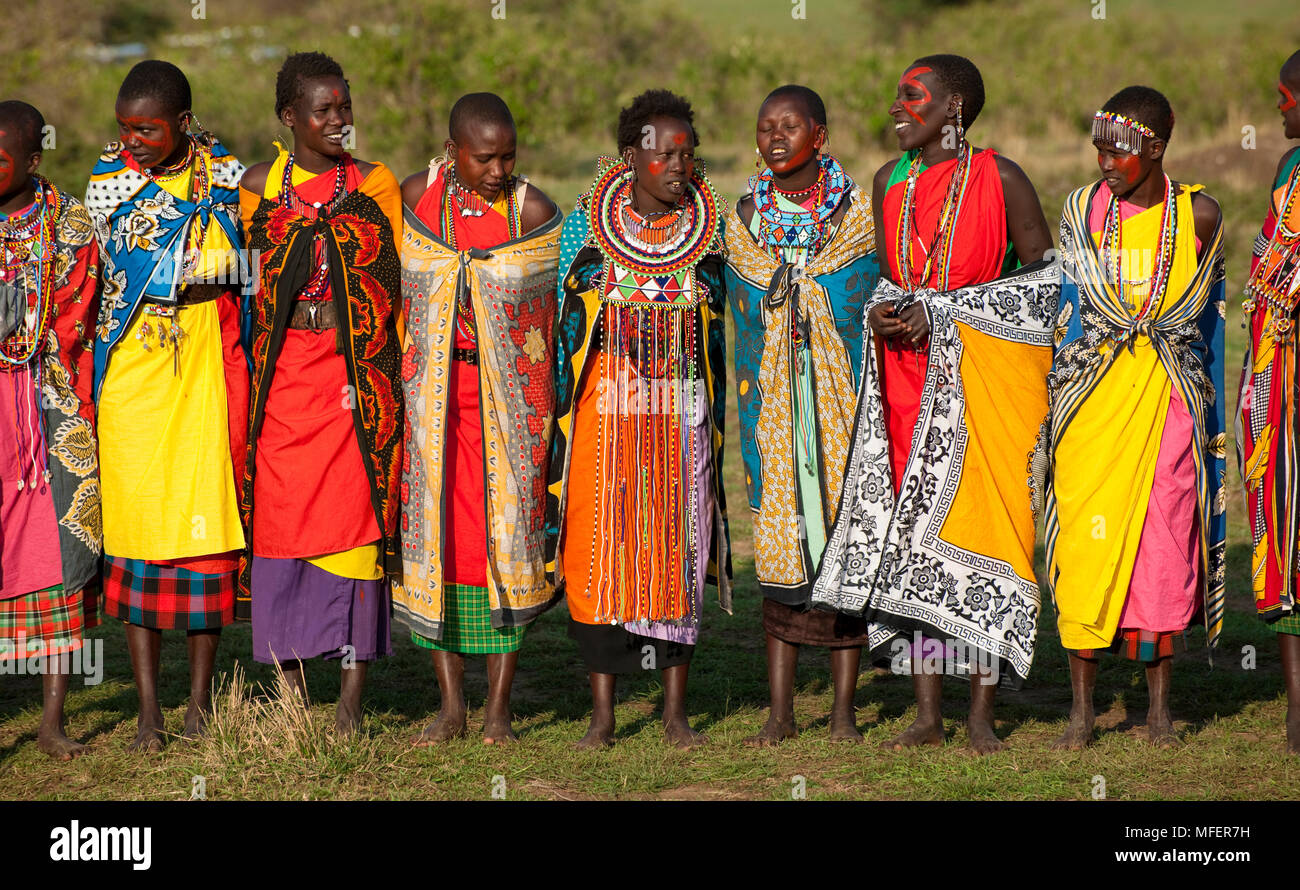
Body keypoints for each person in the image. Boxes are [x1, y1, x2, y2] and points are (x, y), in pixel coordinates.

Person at [809, 55, 1057, 754]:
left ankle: (980, 715)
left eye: (912, 95)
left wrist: (948, 315)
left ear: (953, 108)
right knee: (911, 540)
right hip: (906, 379)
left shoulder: (1001, 177)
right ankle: (925, 713)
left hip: (979, 382)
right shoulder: (891, 183)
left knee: (982, 534)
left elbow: (1044, 283)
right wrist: (887, 311)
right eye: (896, 94)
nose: (895, 106)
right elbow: (892, 278)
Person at [545, 89, 729, 749]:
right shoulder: (588, 229)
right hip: (607, 412)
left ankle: (676, 715)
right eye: (663, 153)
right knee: (602, 550)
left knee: (675, 548)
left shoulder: (708, 236)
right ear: (630, 156)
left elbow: (718, 333)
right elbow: (566, 322)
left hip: (678, 415)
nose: (678, 165)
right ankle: (602, 717)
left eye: (687, 153)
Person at [1047, 86, 1225, 749]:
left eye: (1117, 150)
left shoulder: (1199, 215)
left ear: (1154, 148)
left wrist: (1206, 412)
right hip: (1091, 408)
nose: (1104, 162)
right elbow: (1063, 309)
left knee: (1164, 544)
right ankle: (1081, 713)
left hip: (1169, 403)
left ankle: (1158, 711)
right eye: (1097, 148)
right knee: (1086, 550)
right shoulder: (1081, 211)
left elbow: (1207, 322)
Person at [85, 61, 249, 752]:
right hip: (132, 374)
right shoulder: (106, 184)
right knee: (136, 530)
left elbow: (241, 266)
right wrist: (191, 268)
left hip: (205, 364)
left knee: (203, 529)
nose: (135, 141)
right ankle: (150, 711)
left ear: (182, 121)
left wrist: (202, 271)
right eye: (126, 129)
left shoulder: (225, 175)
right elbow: (110, 269)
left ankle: (200, 705)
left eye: (148, 129)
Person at [239, 52, 404, 734]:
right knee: (281, 530)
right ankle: (290, 694)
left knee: (355, 530)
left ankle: (348, 705)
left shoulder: (376, 185)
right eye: (322, 110)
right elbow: (243, 289)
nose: (339, 120)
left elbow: (397, 286)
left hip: (354, 386)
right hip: (281, 383)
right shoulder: (256, 189)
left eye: (344, 106)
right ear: (289, 117)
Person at [394, 92, 562, 745]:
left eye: (508, 155)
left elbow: (551, 314)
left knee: (508, 539)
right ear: (452, 148)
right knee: (443, 544)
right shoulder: (416, 198)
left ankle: (498, 712)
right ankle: (451, 708)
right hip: (433, 402)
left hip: (511, 410)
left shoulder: (534, 211)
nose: (498, 169)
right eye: (484, 157)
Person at [724, 85, 878, 745]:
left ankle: (844, 713)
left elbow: (862, 292)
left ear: (820, 133)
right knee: (783, 552)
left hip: (843, 406)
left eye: (789, 126)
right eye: (764, 128)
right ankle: (781, 714)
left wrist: (810, 295)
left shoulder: (858, 212)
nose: (775, 138)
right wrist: (789, 297)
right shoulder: (744, 218)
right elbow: (742, 298)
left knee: (847, 541)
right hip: (773, 412)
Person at [0, 101, 101, 759]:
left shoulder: (71, 225)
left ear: (34, 161)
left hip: (50, 408)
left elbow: (74, 314)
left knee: (60, 555)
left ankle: (53, 720)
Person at [1239, 50, 1300, 755]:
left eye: (1287, 97)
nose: (1280, 109)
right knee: (1286, 526)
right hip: (1280, 378)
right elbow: (1268, 268)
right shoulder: (1290, 171)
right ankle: (1295, 709)